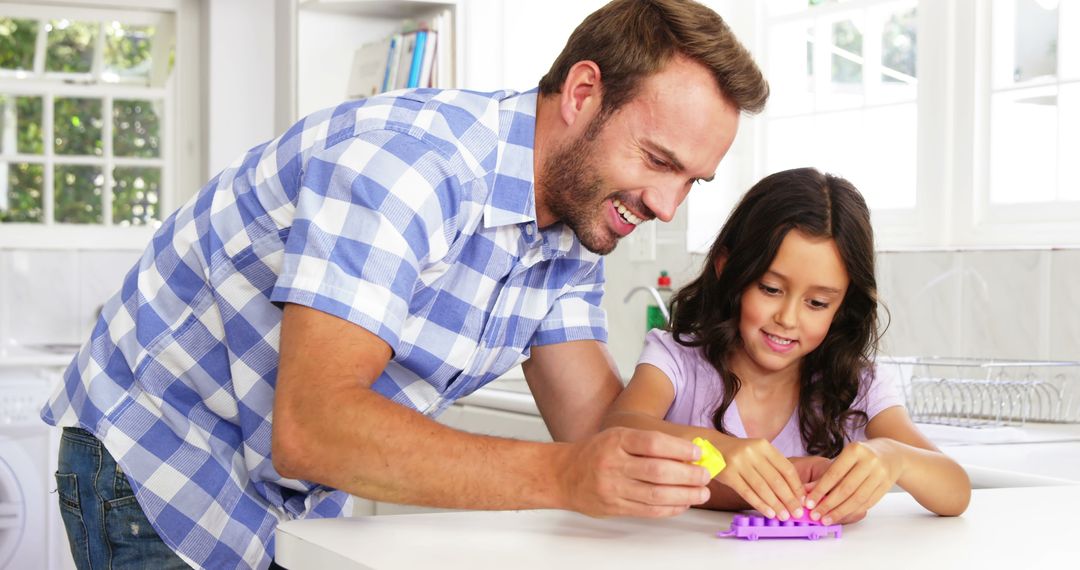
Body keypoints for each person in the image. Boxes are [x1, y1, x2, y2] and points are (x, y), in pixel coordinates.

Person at [41, 1, 779, 568]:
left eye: (692, 180)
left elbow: (598, 433)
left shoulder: (572, 228)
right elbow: (314, 429)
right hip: (158, 462)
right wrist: (565, 477)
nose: (665, 205)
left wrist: (752, 473)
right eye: (658, 160)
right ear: (584, 93)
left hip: (283, 498)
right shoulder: (409, 166)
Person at [601, 167, 971, 525]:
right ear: (727, 269)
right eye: (771, 289)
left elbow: (956, 491)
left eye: (817, 303)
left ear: (844, 305)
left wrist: (894, 457)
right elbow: (617, 429)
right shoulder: (676, 360)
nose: (788, 318)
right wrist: (720, 452)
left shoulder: (859, 385)